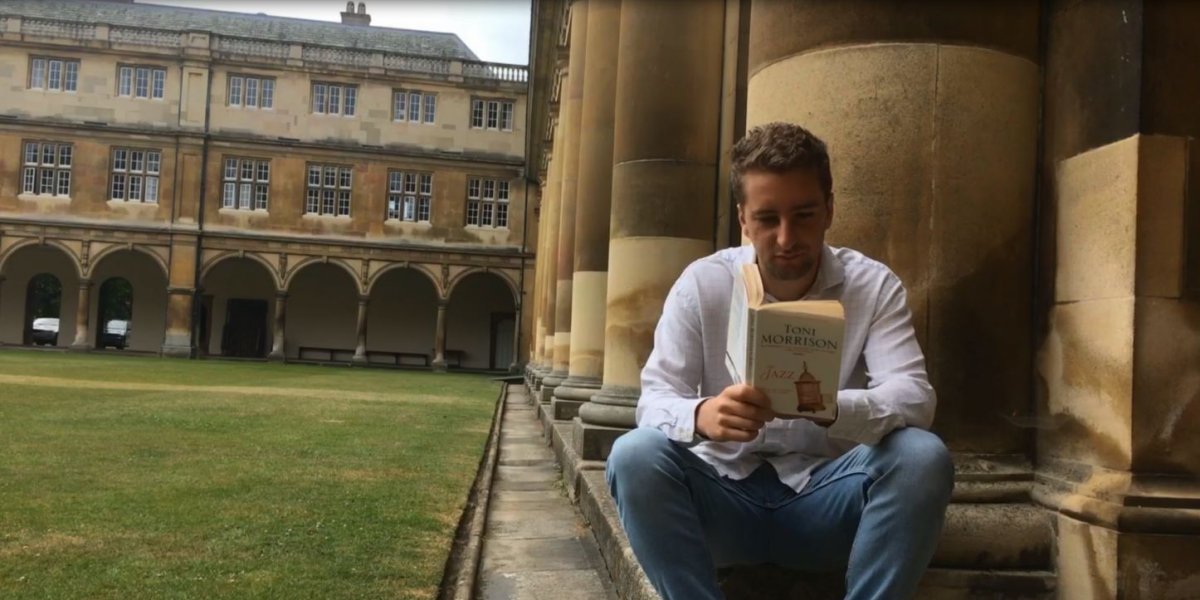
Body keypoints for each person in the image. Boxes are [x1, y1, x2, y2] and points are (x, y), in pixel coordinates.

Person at [605, 122, 954, 600]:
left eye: (805, 215)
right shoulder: (702, 284)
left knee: (922, 456)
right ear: (744, 220)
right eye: (768, 219)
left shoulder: (872, 286)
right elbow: (654, 401)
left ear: (830, 209)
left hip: (827, 503)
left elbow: (915, 398)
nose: (787, 238)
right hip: (722, 501)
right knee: (633, 455)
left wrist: (830, 407)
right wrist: (703, 415)